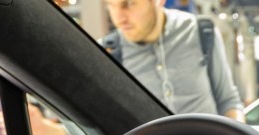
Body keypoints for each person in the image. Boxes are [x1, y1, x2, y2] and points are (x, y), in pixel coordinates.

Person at [103, 0, 243, 119]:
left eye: (129, 3)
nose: (119, 18)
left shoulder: (200, 31)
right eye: (111, 4)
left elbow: (228, 102)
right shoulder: (107, 53)